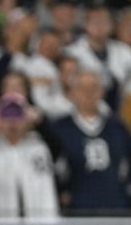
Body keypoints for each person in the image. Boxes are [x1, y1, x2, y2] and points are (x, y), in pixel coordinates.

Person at [53, 70, 131, 215]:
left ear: (102, 92)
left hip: (117, 206)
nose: (88, 93)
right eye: (82, 88)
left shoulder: (117, 127)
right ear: (72, 92)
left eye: (94, 87)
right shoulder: (59, 128)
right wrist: (61, 191)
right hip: (76, 209)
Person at [0, 93, 59, 217]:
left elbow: (60, 147)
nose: (12, 122)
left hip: (40, 224)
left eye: (17, 114)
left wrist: (41, 121)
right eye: (6, 115)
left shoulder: (41, 146)